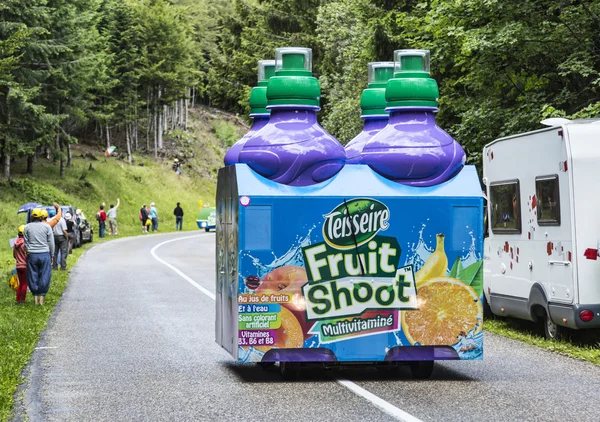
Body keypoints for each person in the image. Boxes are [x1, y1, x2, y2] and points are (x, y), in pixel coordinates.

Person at [24, 208, 55, 306]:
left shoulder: (27, 227)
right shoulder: (47, 227)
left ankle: (35, 300)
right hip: (44, 254)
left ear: (32, 216)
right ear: (42, 216)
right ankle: (42, 300)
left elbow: (26, 243)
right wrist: (52, 255)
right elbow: (51, 242)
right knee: (44, 275)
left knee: (33, 275)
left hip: (32, 255)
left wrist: (29, 251)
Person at [13, 225, 28, 304]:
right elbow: (27, 255)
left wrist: (19, 260)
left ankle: (17, 299)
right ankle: (23, 300)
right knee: (25, 284)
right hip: (25, 266)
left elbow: (14, 255)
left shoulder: (15, 243)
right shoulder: (25, 244)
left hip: (18, 266)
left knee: (20, 284)